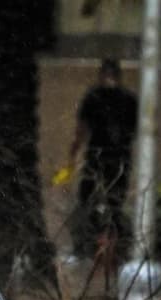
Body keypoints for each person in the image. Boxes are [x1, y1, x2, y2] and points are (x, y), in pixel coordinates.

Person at [66, 59, 138, 265]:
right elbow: (81, 129)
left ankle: (101, 247)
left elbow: (81, 130)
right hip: (107, 158)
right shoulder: (104, 97)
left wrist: (73, 153)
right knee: (100, 202)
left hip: (107, 158)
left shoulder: (107, 97)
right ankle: (93, 246)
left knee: (102, 202)